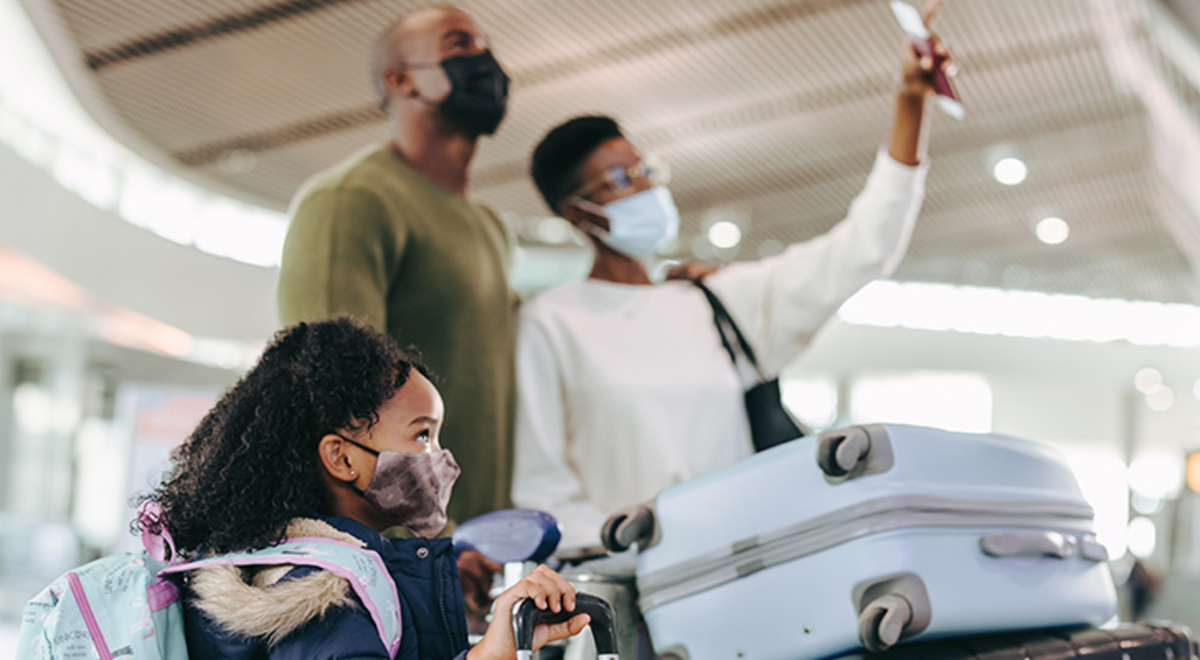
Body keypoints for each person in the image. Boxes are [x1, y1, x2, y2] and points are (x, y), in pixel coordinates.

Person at [513, 17, 953, 550]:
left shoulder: (713, 300)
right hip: (631, 586)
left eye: (644, 169)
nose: (645, 188)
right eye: (620, 181)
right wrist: (637, 544)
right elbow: (543, 488)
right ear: (578, 212)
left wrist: (910, 103)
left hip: (746, 566)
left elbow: (865, 247)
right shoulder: (553, 322)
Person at [141, 318, 588, 660]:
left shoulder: (298, 574)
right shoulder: (321, 600)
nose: (442, 458)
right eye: (421, 435)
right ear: (341, 458)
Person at [277, 6, 517, 540]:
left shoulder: (488, 226)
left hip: (474, 553)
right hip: (400, 556)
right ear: (400, 79)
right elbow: (325, 393)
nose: (485, 61)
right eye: (460, 45)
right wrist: (423, 539)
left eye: (485, 44)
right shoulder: (351, 200)